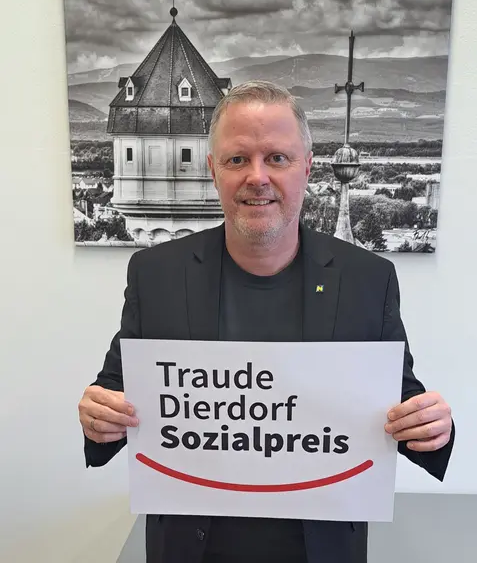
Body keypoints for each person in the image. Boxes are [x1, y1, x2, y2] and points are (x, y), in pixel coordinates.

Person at [78, 80, 454, 563]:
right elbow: (115, 393)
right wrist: (99, 416)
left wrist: (431, 427)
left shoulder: (367, 279)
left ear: (307, 167)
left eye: (277, 158)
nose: (257, 177)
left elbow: (402, 406)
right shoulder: (156, 275)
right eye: (237, 159)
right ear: (213, 170)